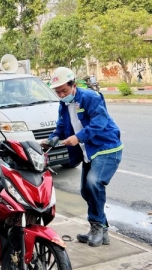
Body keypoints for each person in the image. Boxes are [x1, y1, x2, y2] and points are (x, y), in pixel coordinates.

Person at [44, 67, 123, 247]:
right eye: (58, 92)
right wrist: (52, 139)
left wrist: (78, 137)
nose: (62, 95)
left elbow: (99, 123)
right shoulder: (64, 105)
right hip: (90, 151)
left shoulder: (90, 98)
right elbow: (62, 126)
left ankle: (97, 227)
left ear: (73, 85)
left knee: (94, 184)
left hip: (107, 148)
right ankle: (102, 230)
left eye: (64, 90)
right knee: (86, 191)